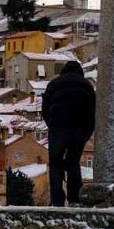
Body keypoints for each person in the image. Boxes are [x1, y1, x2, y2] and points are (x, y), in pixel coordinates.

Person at [42, 60, 96, 207]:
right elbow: (93, 112)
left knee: (55, 163)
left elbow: (45, 109)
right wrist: (87, 133)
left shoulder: (54, 84)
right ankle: (75, 199)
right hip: (79, 128)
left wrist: (52, 125)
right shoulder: (87, 85)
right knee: (73, 161)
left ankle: (57, 200)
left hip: (58, 127)